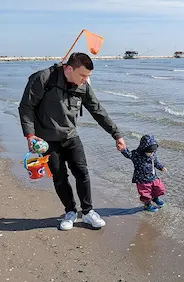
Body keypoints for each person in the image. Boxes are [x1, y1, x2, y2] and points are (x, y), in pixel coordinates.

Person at [18, 52, 127, 230]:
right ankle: (70, 212)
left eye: (88, 76)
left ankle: (88, 212)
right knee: (60, 177)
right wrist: (30, 135)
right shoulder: (43, 78)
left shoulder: (83, 85)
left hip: (70, 135)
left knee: (82, 173)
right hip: (47, 139)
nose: (85, 80)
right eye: (82, 75)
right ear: (69, 69)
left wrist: (116, 134)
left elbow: (97, 110)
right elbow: (26, 107)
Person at [120, 134, 168, 212]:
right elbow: (129, 154)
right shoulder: (137, 155)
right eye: (150, 152)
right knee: (146, 194)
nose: (151, 153)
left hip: (153, 177)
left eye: (153, 152)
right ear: (143, 148)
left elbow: (156, 162)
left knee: (159, 188)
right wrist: (123, 149)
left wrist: (161, 167)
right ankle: (147, 205)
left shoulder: (153, 154)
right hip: (142, 180)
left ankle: (156, 199)